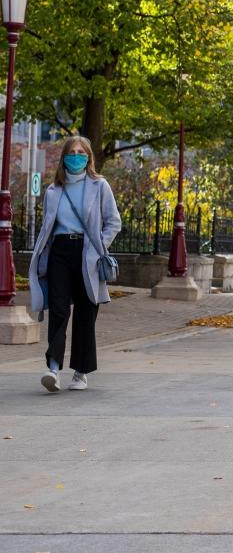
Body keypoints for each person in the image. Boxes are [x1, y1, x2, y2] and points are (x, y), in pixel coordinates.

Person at [28, 136, 122, 393]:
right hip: (60, 252)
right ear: (64, 157)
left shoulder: (99, 185)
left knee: (85, 310)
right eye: (72, 152)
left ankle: (80, 372)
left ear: (89, 157)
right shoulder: (53, 190)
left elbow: (114, 221)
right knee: (58, 309)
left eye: (81, 152)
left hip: (88, 253)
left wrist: (100, 245)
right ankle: (54, 368)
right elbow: (48, 227)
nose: (76, 156)